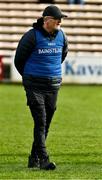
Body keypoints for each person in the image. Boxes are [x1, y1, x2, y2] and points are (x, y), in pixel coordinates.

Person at [14, 5, 68, 170]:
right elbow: (19, 60)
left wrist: (50, 72)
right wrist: (30, 77)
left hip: (53, 85)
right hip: (34, 86)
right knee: (41, 121)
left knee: (46, 123)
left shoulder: (62, 36)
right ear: (47, 20)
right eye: (57, 19)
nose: (60, 22)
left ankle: (34, 159)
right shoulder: (31, 36)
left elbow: (62, 54)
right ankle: (44, 159)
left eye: (61, 19)